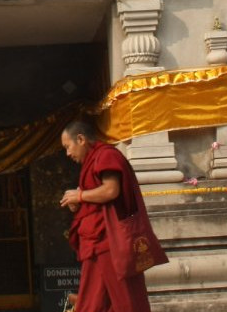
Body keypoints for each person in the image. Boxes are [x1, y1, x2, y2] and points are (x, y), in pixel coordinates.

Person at [59, 119, 162, 312]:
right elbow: (96, 198)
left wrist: (80, 196)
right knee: (94, 302)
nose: (68, 153)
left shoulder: (106, 155)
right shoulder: (93, 161)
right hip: (96, 242)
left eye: (67, 147)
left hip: (110, 243)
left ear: (80, 139)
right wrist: (79, 202)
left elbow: (111, 190)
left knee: (125, 300)